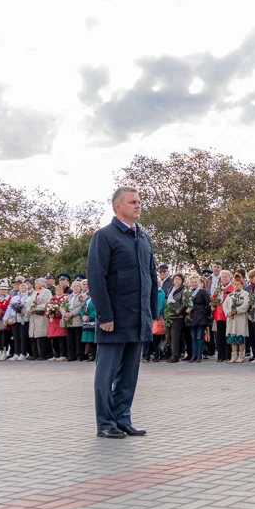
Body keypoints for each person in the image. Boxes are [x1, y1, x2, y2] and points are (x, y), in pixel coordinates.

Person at [87, 187, 159, 439]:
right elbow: (96, 278)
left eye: (140, 202)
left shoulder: (144, 237)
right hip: (114, 320)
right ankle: (105, 422)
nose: (138, 206)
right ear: (118, 206)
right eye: (133, 202)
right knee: (105, 376)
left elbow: (151, 278)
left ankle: (122, 418)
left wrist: (152, 314)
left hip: (138, 319)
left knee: (129, 374)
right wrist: (104, 315)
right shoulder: (105, 236)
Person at [223, 273, 252, 363]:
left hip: (240, 318)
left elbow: (246, 305)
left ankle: (241, 356)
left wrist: (237, 310)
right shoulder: (230, 295)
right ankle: (234, 356)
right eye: (234, 284)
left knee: (240, 337)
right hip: (231, 319)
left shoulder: (245, 294)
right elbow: (225, 304)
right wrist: (228, 312)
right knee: (232, 338)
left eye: (238, 284)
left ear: (242, 284)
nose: (236, 286)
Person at [163, 274, 187, 363]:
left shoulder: (183, 290)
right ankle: (171, 353)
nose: (177, 280)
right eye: (175, 279)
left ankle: (175, 356)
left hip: (177, 316)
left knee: (174, 336)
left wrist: (176, 312)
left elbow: (184, 303)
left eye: (179, 279)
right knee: (168, 336)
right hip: (168, 315)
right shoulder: (170, 289)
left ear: (182, 281)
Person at [187, 273, 211, 362]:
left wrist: (204, 313)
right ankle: (194, 354)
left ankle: (199, 355)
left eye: (196, 282)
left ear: (199, 282)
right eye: (192, 282)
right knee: (193, 337)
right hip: (191, 317)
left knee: (199, 336)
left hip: (200, 317)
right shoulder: (188, 292)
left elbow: (208, 304)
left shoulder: (202, 291)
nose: (194, 283)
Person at [64, 280, 85, 362]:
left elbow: (81, 306)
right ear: (71, 288)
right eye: (74, 286)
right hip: (69, 320)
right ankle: (71, 355)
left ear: (80, 288)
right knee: (70, 339)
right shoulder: (68, 296)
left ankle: (80, 355)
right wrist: (65, 313)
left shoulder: (83, 296)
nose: (76, 288)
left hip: (77, 319)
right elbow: (62, 306)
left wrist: (72, 313)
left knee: (78, 338)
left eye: (77, 286)